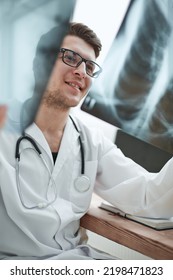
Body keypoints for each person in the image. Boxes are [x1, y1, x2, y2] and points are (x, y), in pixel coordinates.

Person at [0, 22, 173, 260]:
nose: (82, 71)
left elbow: (147, 196)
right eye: (70, 58)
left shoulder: (90, 141)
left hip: (76, 260)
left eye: (89, 66)